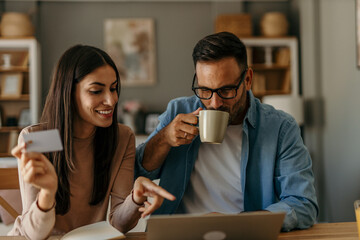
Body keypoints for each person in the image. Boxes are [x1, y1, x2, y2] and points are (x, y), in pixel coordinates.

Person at [135, 32, 318, 231]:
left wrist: (243, 224)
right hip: (180, 233)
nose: (214, 103)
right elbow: (138, 171)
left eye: (226, 90)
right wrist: (164, 139)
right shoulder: (177, 112)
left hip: (244, 234)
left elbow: (303, 203)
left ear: (247, 80)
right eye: (205, 90)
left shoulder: (281, 128)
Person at [9, 45, 175, 239]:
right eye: (96, 91)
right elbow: (33, 235)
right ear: (68, 93)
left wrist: (136, 198)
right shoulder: (38, 138)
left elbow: (120, 224)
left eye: (114, 88)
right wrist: (47, 192)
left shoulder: (121, 138)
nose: (111, 100)